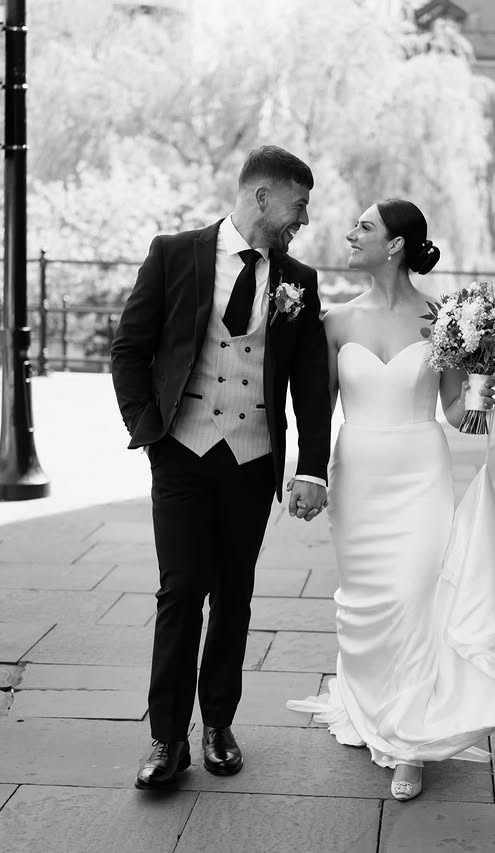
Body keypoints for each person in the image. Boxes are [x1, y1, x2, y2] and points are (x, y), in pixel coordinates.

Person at [287, 199, 495, 801]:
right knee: (364, 601)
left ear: (396, 244)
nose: (351, 234)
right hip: (358, 474)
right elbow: (316, 412)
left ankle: (410, 742)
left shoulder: (444, 319)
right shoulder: (335, 322)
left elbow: (460, 417)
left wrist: (483, 376)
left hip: (420, 474)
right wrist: (310, 475)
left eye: (364, 227)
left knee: (414, 597)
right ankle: (367, 704)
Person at [111, 145, 331, 790]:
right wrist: (148, 429)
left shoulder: (299, 278)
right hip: (181, 452)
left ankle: (218, 725)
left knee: (234, 594)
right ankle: (166, 739)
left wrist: (312, 466)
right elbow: (130, 349)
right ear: (262, 196)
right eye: (299, 205)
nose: (304, 219)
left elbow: (309, 382)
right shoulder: (174, 254)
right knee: (181, 591)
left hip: (253, 459)